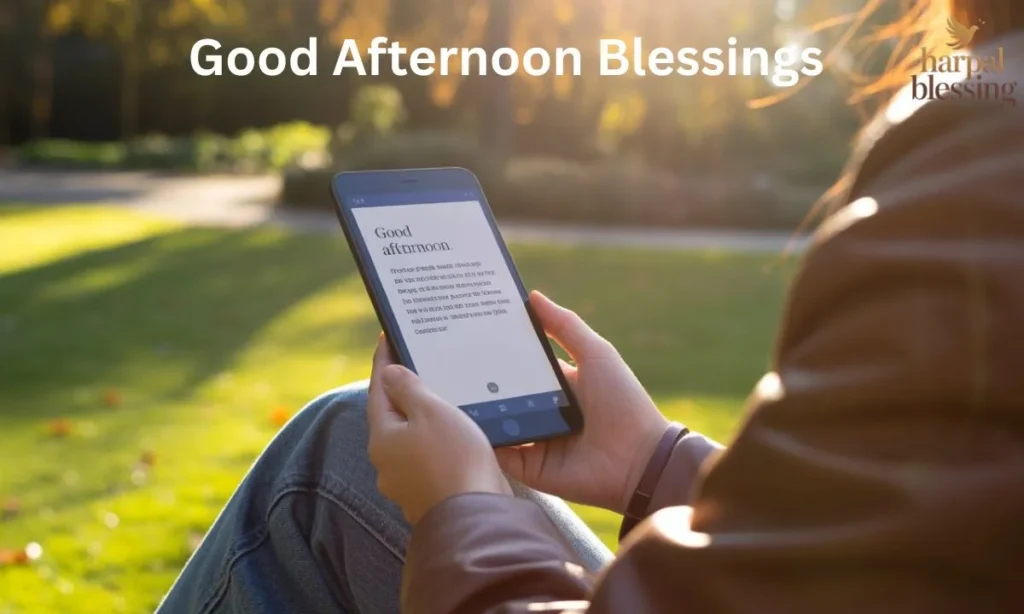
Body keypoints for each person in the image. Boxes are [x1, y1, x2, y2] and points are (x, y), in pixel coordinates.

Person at [157, 1, 1024, 612]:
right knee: (346, 431)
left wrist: (463, 505)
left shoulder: (992, 137)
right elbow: (903, 546)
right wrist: (654, 462)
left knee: (327, 468)